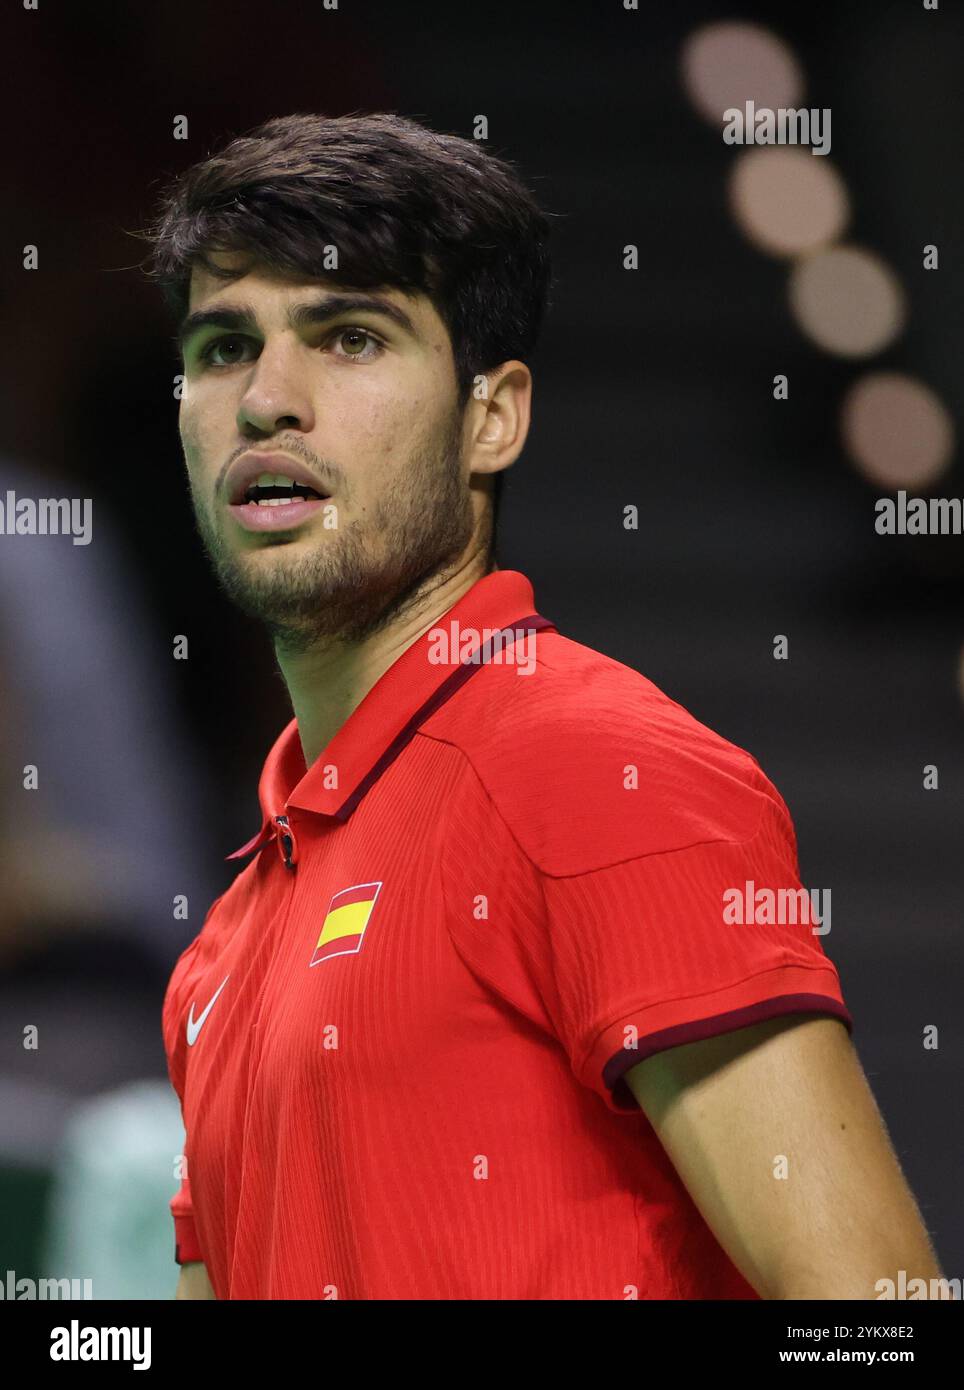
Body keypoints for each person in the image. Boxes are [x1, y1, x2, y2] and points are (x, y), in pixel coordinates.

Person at [143, 111, 943, 1300]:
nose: (267, 401)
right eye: (221, 348)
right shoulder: (223, 945)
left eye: (349, 337)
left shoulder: (593, 771)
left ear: (492, 416)